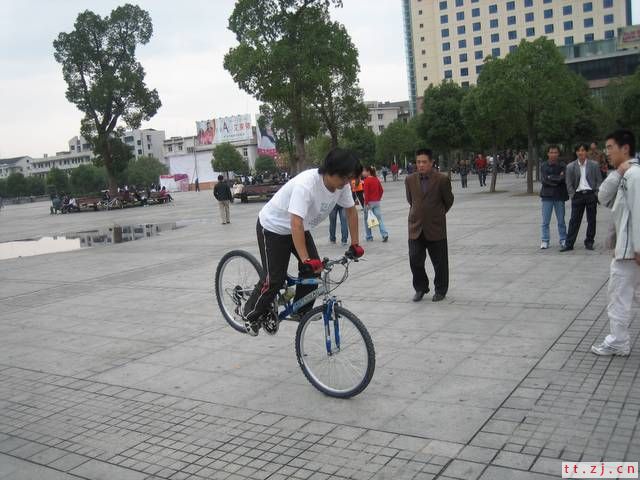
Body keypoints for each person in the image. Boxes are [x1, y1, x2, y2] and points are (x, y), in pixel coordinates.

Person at [242, 148, 365, 336]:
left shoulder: (342, 186)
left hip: (299, 228)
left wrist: (355, 244)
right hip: (274, 227)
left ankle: (300, 311)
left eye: (350, 178)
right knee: (274, 280)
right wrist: (306, 259)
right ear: (332, 171)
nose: (347, 182)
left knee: (314, 272)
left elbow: (351, 211)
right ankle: (250, 315)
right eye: (345, 177)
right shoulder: (307, 185)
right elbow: (296, 223)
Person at [591, 129, 639, 356]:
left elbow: (638, 212)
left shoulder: (634, 175)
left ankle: (618, 341)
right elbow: (603, 196)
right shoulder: (625, 174)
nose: (607, 152)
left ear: (625, 148)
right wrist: (618, 172)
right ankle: (618, 340)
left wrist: (637, 248)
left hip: (630, 253)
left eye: (610, 147)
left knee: (618, 297)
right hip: (628, 250)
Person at [406, 148, 454, 303]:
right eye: (418, 162)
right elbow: (410, 200)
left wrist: (437, 215)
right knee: (414, 259)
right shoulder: (410, 180)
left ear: (431, 162)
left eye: (424, 162)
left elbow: (448, 201)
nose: (421, 165)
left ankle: (440, 290)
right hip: (415, 228)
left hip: (435, 227)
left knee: (440, 262)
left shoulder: (442, 179)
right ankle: (420, 288)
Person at [560, 143, 602, 252]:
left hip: (590, 194)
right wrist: (572, 195)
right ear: (576, 152)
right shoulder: (570, 166)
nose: (581, 152)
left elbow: (599, 181)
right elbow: (568, 183)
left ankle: (589, 242)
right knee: (574, 220)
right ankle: (569, 244)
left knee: (591, 220)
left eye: (583, 150)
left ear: (586, 152)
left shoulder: (594, 165)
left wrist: (596, 194)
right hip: (577, 195)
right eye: (578, 150)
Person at [539, 145, 568, 250]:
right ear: (548, 153)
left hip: (559, 195)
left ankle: (563, 239)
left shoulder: (562, 165)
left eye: (555, 152)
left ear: (558, 154)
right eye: (551, 152)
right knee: (545, 221)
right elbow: (544, 180)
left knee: (561, 220)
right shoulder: (543, 165)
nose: (553, 154)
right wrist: (556, 179)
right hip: (547, 196)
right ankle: (545, 240)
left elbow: (563, 179)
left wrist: (551, 177)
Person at [362, 166, 389, 242]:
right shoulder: (376, 179)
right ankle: (384, 234)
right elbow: (381, 190)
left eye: (364, 171)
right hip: (376, 202)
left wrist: (366, 203)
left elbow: (366, 193)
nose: (363, 173)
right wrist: (378, 198)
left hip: (369, 203)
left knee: (367, 220)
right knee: (379, 219)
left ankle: (369, 236)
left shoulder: (366, 180)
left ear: (368, 172)